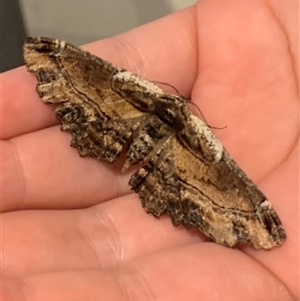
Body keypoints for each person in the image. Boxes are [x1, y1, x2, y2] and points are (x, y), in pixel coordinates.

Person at [1, 1, 298, 300]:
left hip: (116, 124)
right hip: (164, 154)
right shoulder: (200, 138)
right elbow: (45, 55)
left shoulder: (146, 97)